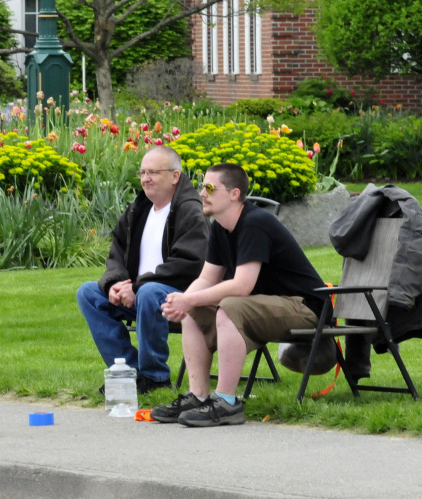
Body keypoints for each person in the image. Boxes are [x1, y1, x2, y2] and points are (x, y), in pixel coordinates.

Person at [153, 163, 328, 427]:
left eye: (210, 187)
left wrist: (189, 299)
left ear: (234, 194)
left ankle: (226, 403)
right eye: (202, 186)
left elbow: (242, 285)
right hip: (266, 305)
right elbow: (207, 278)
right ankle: (198, 397)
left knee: (230, 306)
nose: (202, 192)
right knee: (195, 310)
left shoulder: (255, 223)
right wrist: (182, 302)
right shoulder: (219, 228)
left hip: (305, 307)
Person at [76, 146, 209, 394]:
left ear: (175, 177)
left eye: (153, 172)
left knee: (149, 292)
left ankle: (154, 377)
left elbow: (189, 263)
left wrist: (137, 287)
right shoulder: (139, 210)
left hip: (179, 295)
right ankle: (128, 372)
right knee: (88, 293)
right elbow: (116, 251)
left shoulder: (190, 210)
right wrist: (116, 283)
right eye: (143, 172)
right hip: (140, 292)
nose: (145, 178)